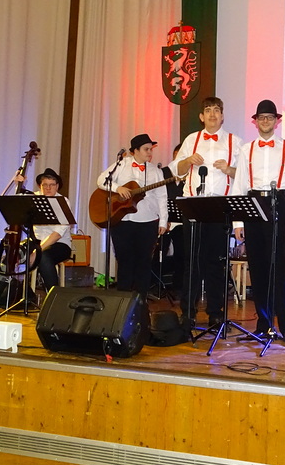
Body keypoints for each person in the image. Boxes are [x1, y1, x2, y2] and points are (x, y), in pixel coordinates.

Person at [232, 99, 285, 343]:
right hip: (253, 204)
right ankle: (263, 324)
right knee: (258, 267)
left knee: (279, 268)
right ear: (255, 121)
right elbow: (239, 185)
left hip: (278, 202)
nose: (265, 121)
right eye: (261, 117)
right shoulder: (246, 149)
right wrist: (238, 223)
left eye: (270, 117)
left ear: (276, 121)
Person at [173, 97, 239, 328]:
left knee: (215, 262)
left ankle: (215, 313)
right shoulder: (191, 139)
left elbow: (245, 175)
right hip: (193, 205)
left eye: (216, 110)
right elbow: (177, 171)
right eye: (208, 110)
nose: (212, 114)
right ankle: (187, 313)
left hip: (220, 207)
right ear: (201, 116)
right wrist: (187, 161)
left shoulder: (235, 142)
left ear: (222, 116)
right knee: (191, 261)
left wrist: (229, 169)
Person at [0, 168, 73, 315]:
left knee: (44, 257)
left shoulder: (63, 202)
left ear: (57, 186)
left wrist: (36, 251)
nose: (48, 188)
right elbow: (17, 204)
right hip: (35, 242)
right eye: (44, 185)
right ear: (40, 186)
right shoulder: (34, 198)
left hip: (59, 245)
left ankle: (55, 302)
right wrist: (18, 184)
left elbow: (57, 234)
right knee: (10, 256)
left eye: (52, 184)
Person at [97, 133, 169, 300]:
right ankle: (122, 301)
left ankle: (141, 301)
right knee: (124, 261)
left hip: (148, 221)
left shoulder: (156, 171)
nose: (150, 153)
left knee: (144, 262)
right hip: (123, 221)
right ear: (134, 151)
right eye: (146, 149)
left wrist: (163, 221)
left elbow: (162, 197)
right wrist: (118, 188)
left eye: (151, 149)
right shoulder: (121, 165)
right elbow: (101, 180)